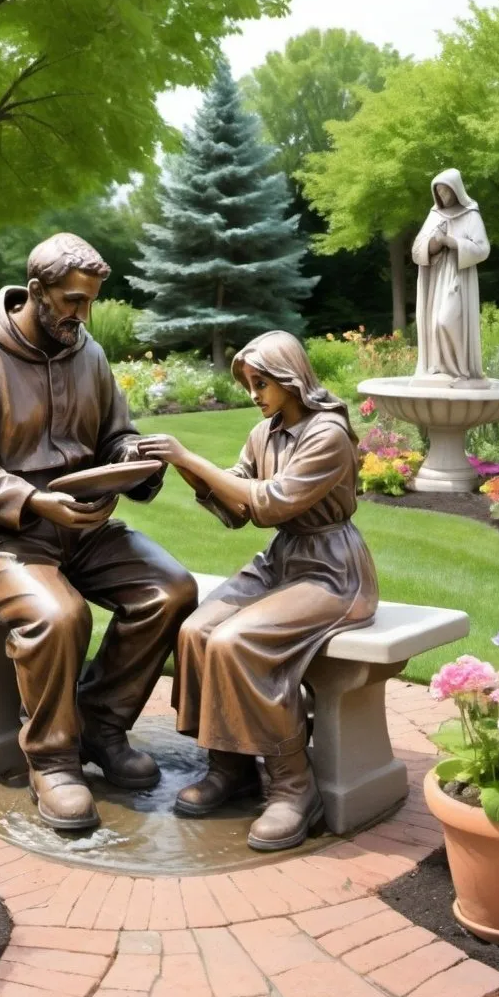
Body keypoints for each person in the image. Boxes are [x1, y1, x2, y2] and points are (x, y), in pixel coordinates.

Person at [0, 233, 197, 832]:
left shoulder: (88, 353)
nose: (82, 313)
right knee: (59, 616)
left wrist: (134, 461)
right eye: (72, 300)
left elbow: (115, 433)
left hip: (82, 526)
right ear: (37, 290)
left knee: (170, 589)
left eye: (90, 302)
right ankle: (53, 759)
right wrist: (34, 501)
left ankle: (101, 724)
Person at [138, 331, 379, 851]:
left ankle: (294, 787)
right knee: (199, 630)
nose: (254, 393)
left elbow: (270, 503)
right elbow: (237, 509)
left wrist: (191, 456)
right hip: (283, 559)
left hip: (330, 570)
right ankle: (231, 765)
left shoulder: (327, 434)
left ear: (290, 376)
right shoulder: (263, 433)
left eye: (261, 381)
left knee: (236, 641)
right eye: (249, 383)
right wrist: (184, 466)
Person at [411, 168, 491, 384]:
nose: (443, 197)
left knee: (445, 321)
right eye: (439, 192)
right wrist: (435, 243)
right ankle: (439, 367)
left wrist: (452, 242)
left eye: (446, 191)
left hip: (458, 278)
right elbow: (417, 250)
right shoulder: (434, 215)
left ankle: (460, 369)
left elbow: (483, 249)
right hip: (437, 279)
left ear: (456, 190)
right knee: (434, 323)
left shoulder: (470, 214)